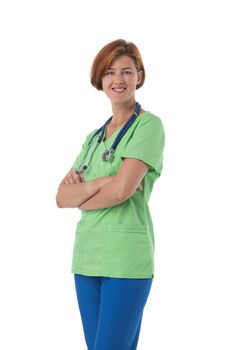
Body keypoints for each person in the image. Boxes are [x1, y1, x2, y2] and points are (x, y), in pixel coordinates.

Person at [56, 39, 165, 350]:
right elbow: (61, 197)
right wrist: (98, 183)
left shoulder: (148, 127)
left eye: (127, 72)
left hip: (125, 262)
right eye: (110, 72)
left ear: (139, 77)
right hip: (87, 260)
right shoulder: (93, 138)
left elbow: (121, 192)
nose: (118, 80)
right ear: (100, 79)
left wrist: (88, 193)